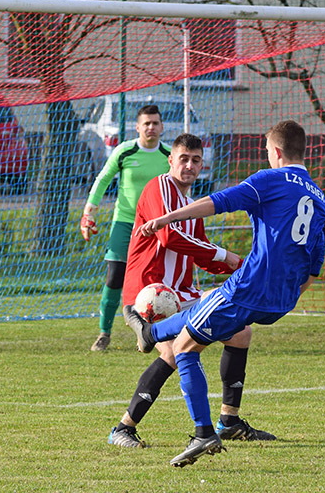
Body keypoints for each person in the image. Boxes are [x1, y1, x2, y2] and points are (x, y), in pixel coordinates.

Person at [126, 120, 325, 467]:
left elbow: (217, 202)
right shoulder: (319, 197)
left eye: (268, 152)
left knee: (185, 348)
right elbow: (314, 267)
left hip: (248, 288)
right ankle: (152, 335)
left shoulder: (270, 180)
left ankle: (203, 433)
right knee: (229, 328)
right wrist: (286, 294)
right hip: (281, 301)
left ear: (276, 152)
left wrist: (166, 219)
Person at [108, 133, 275, 449]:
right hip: (150, 294)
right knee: (173, 351)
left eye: (195, 160)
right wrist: (228, 257)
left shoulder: (191, 205)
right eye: (183, 159)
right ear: (170, 160)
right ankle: (122, 429)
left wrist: (243, 267)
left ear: (202, 164)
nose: (189, 165)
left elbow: (201, 253)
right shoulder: (159, 188)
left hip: (182, 293)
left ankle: (229, 422)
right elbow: (169, 236)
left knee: (241, 334)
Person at [82, 105, 171, 352]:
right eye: (146, 123)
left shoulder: (169, 155)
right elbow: (102, 179)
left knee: (152, 282)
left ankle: (149, 332)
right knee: (114, 278)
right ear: (137, 127)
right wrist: (89, 212)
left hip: (154, 226)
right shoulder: (124, 151)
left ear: (162, 126)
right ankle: (104, 333)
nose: (151, 127)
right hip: (124, 223)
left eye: (155, 123)